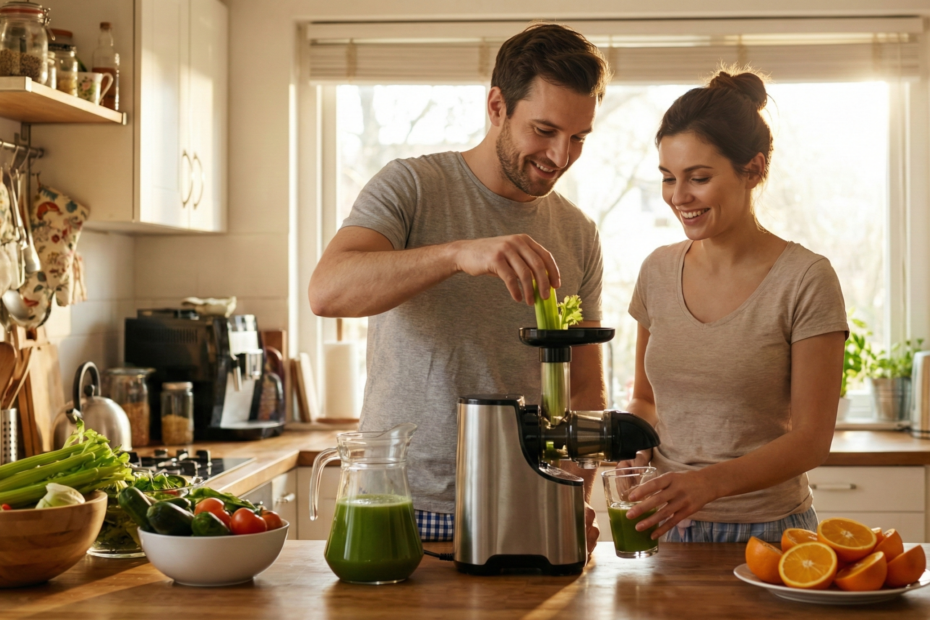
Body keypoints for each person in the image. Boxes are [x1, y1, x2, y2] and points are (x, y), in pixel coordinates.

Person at [308, 24, 610, 550]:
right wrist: (456, 254)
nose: (561, 156)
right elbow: (327, 291)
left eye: (578, 137)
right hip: (402, 504)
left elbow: (585, 389)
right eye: (544, 130)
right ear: (497, 106)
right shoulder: (412, 187)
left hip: (525, 503)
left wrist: (571, 493)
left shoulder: (577, 233)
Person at [622, 69, 848, 543]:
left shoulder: (806, 279)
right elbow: (645, 400)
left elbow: (811, 439)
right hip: (667, 525)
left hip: (770, 532)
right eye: (668, 178)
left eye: (698, 178)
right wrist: (634, 451)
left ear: (754, 169)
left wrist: (706, 485)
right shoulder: (656, 272)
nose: (679, 197)